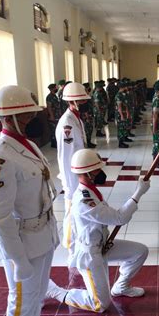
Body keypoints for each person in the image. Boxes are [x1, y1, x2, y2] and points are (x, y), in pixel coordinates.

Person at [0, 85, 60, 316]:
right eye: (25, 114)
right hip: (22, 244)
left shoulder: (25, 145)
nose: (30, 119)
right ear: (8, 117)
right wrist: (17, 259)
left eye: (30, 113)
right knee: (22, 301)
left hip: (42, 235)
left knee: (34, 298)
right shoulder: (0, 158)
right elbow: (0, 217)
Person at [46, 149, 150, 312]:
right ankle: (55, 291)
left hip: (101, 245)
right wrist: (138, 193)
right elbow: (119, 218)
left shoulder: (90, 191)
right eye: (97, 169)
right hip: (89, 255)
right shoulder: (84, 200)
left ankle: (121, 287)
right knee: (101, 305)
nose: (101, 172)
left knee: (140, 251)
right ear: (87, 173)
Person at [55, 82, 89, 261]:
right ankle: (71, 249)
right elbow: (65, 158)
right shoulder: (66, 125)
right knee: (71, 213)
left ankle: (77, 245)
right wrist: (69, 186)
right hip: (72, 178)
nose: (84, 102)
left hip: (78, 174)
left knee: (78, 212)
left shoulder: (76, 119)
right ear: (73, 101)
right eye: (82, 99)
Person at [115, 81, 131, 148]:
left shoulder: (122, 94)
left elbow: (125, 104)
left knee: (124, 127)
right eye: (125, 87)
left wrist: (127, 112)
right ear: (122, 87)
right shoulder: (118, 95)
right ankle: (120, 143)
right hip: (120, 114)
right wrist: (121, 115)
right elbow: (119, 107)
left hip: (124, 113)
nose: (126, 88)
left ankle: (124, 138)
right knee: (121, 128)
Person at [46, 83, 60, 148]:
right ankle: (53, 143)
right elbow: (49, 107)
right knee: (53, 129)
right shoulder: (49, 97)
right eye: (55, 87)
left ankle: (56, 142)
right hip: (53, 115)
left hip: (57, 115)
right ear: (52, 89)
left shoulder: (54, 96)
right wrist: (52, 116)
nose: (56, 88)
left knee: (56, 129)